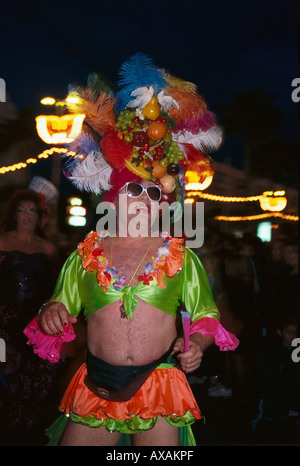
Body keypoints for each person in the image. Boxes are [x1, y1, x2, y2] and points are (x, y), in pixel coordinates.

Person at [24, 53, 239, 446]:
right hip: (95, 383)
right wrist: (50, 312)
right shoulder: (86, 254)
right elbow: (58, 307)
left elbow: (207, 315)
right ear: (114, 197)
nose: (145, 198)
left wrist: (197, 346)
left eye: (156, 192)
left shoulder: (180, 257)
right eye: (135, 188)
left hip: (158, 383)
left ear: (165, 205)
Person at [0, 183, 63, 445]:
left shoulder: (47, 248)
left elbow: (56, 290)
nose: (26, 215)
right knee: (7, 377)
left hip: (36, 324)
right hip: (4, 324)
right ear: (14, 214)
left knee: (41, 379)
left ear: (39, 216)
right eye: (21, 210)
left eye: (31, 210)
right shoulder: (1, 241)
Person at [251, 314, 300, 443]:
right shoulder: (271, 349)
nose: (292, 335)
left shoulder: (297, 350)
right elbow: (261, 368)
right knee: (267, 418)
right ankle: (260, 434)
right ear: (280, 332)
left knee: (284, 420)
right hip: (270, 393)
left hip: (288, 394)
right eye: (288, 332)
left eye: (295, 332)